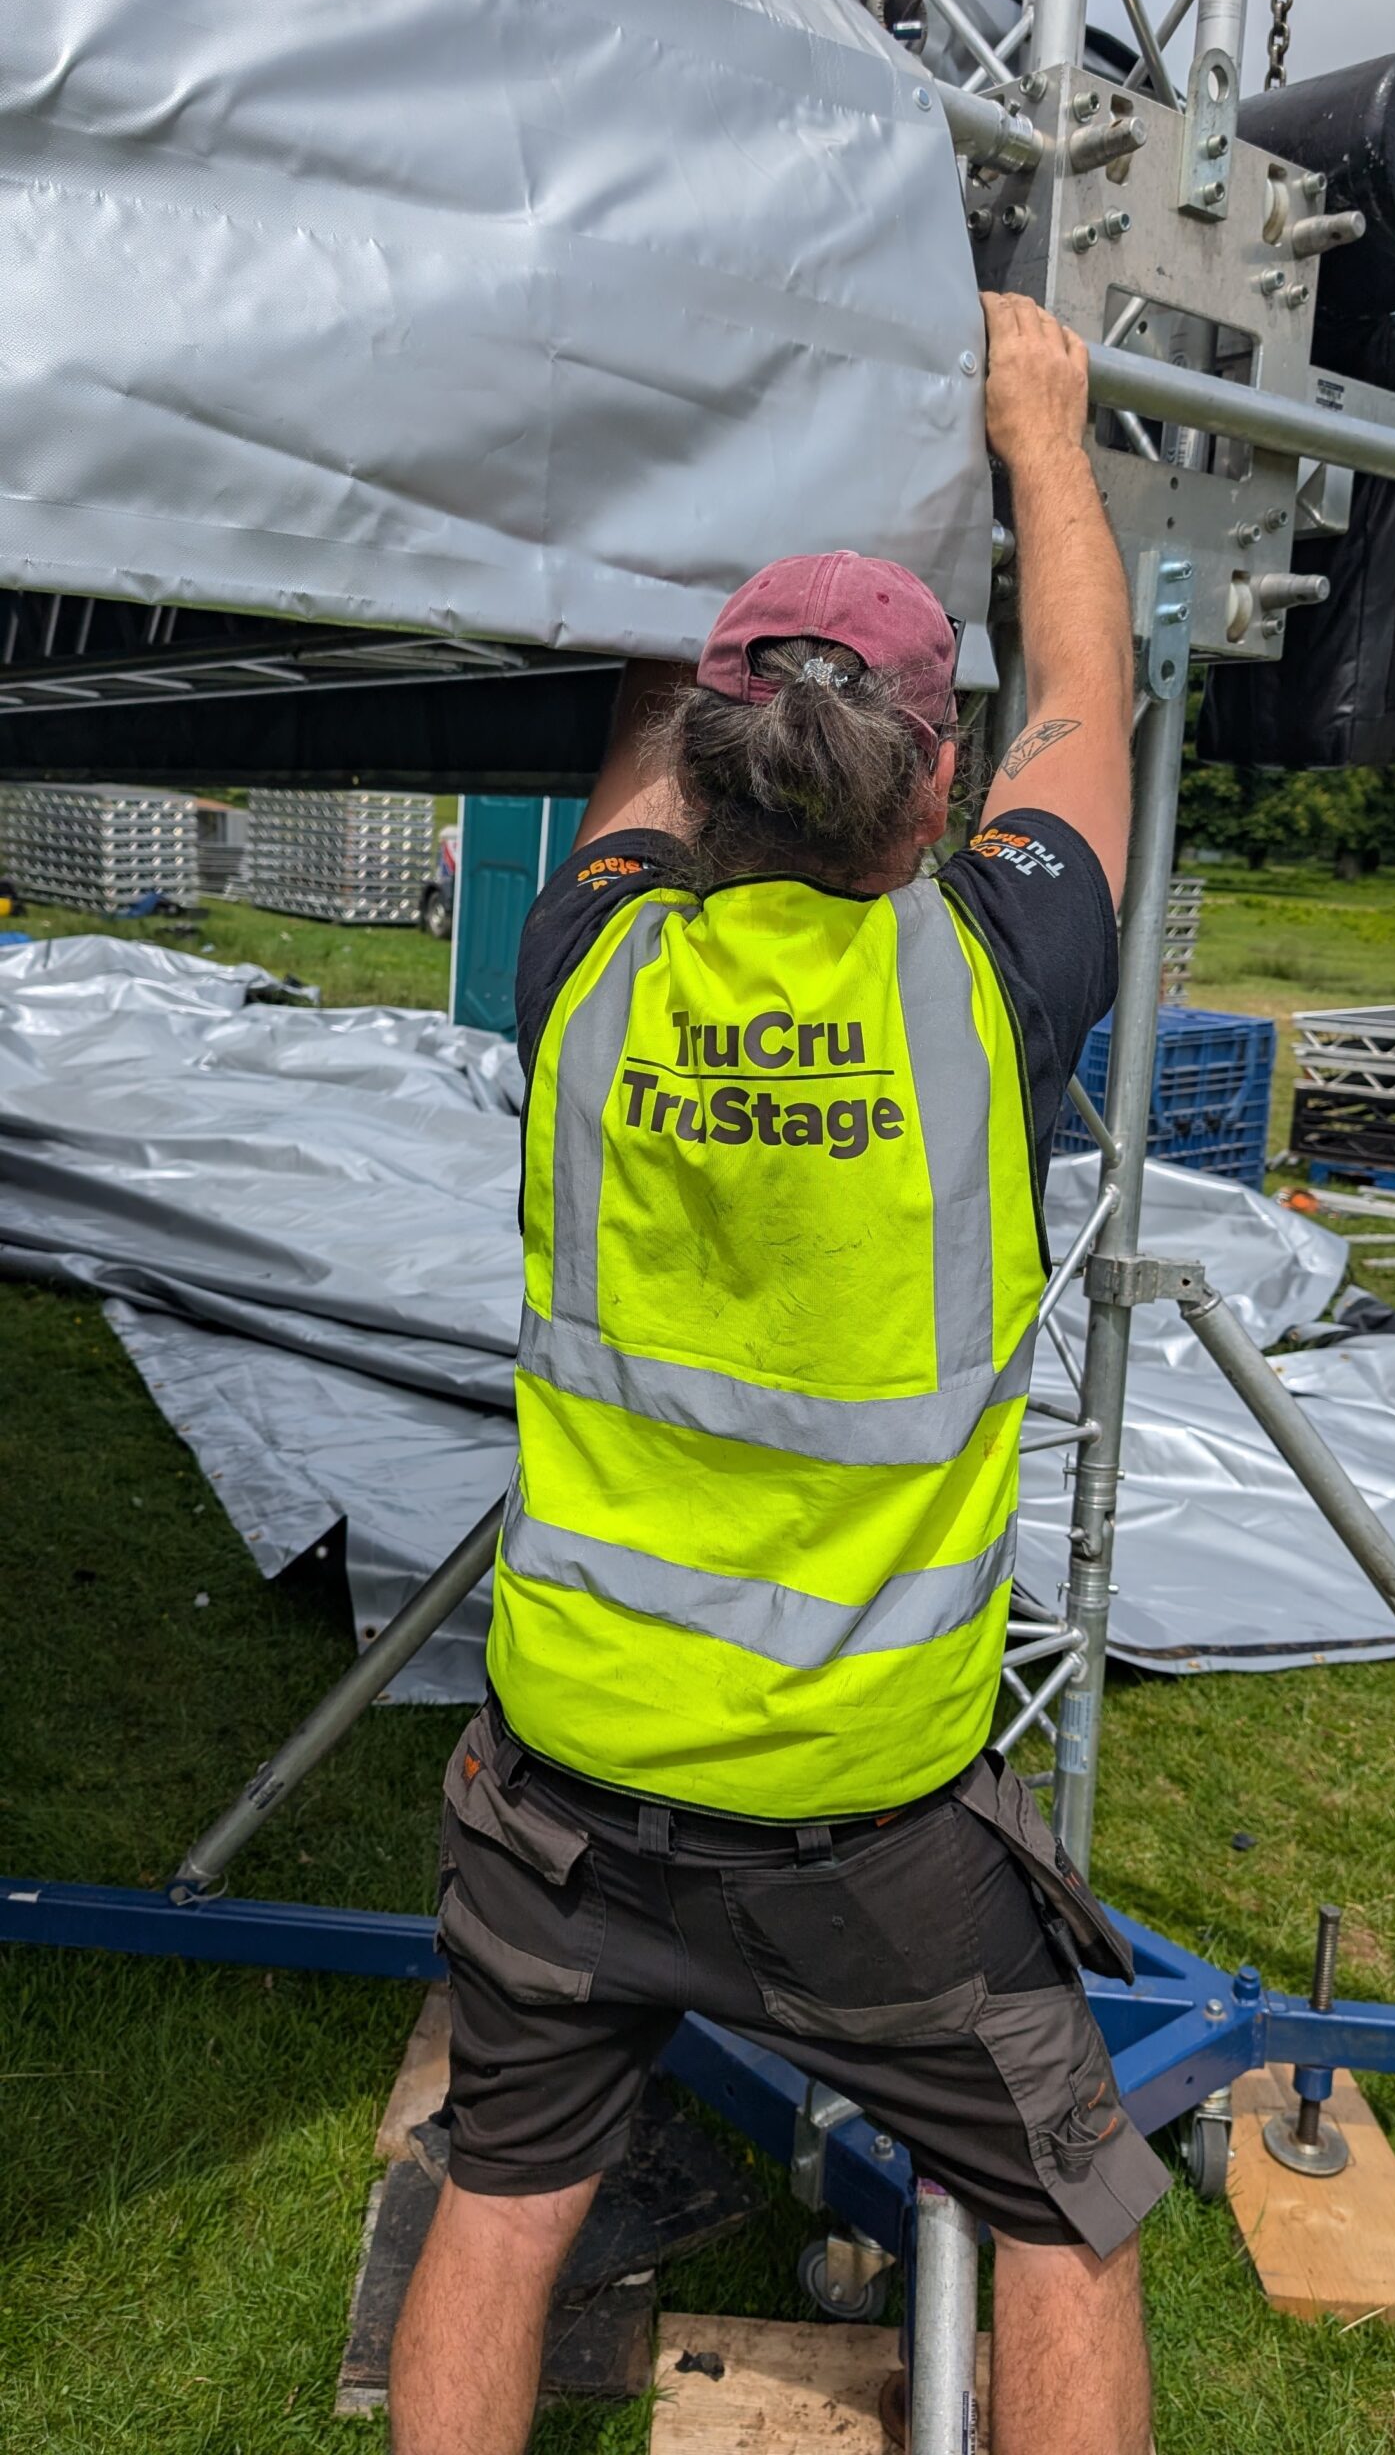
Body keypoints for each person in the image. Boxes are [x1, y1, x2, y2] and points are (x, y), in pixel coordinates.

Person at [391, 292, 1168, 2455]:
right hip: (865, 1836)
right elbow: (1094, 696)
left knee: (506, 2200)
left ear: (708, 764)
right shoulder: (995, 983)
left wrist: (707, 435)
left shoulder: (591, 963)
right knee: (1066, 2221)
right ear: (939, 783)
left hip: (555, 1797)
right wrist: (1042, 430)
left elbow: (641, 749)